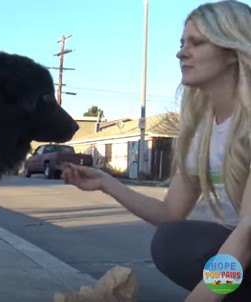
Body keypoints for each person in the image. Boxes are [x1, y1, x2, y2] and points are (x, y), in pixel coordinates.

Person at [62, 1, 251, 301]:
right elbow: (169, 214)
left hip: (246, 245)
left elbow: (247, 235)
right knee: (173, 242)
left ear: (232, 50)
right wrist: (106, 183)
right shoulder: (203, 132)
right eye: (181, 43)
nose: (181, 52)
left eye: (196, 43)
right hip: (240, 252)